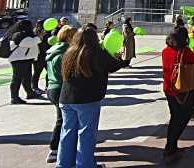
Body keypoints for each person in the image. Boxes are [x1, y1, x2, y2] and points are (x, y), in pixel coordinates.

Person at [57, 25, 125, 168]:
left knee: (67, 132)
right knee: (86, 134)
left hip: (67, 97)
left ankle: (63, 164)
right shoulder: (96, 52)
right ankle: (85, 165)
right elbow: (114, 66)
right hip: (88, 99)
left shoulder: (69, 51)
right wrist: (118, 56)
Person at [161, 29, 194, 162]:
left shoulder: (165, 51)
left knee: (175, 117)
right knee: (183, 117)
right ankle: (170, 148)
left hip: (169, 88)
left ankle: (172, 146)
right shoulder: (185, 51)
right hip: (183, 90)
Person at [44, 25, 77, 164]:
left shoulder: (53, 50)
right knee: (63, 121)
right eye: (74, 36)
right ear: (69, 37)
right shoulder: (65, 52)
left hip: (52, 87)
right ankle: (55, 149)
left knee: (63, 119)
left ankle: (61, 148)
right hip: (61, 88)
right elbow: (67, 74)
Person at [6, 20, 41, 104]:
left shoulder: (23, 33)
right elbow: (28, 43)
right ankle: (14, 97)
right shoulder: (19, 35)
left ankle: (30, 93)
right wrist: (39, 37)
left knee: (27, 77)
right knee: (17, 79)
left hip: (25, 59)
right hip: (18, 60)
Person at [32, 20, 51, 94]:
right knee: (37, 72)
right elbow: (38, 42)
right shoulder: (35, 32)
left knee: (49, 72)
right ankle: (35, 87)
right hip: (39, 55)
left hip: (46, 54)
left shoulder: (48, 31)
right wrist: (42, 35)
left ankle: (47, 86)